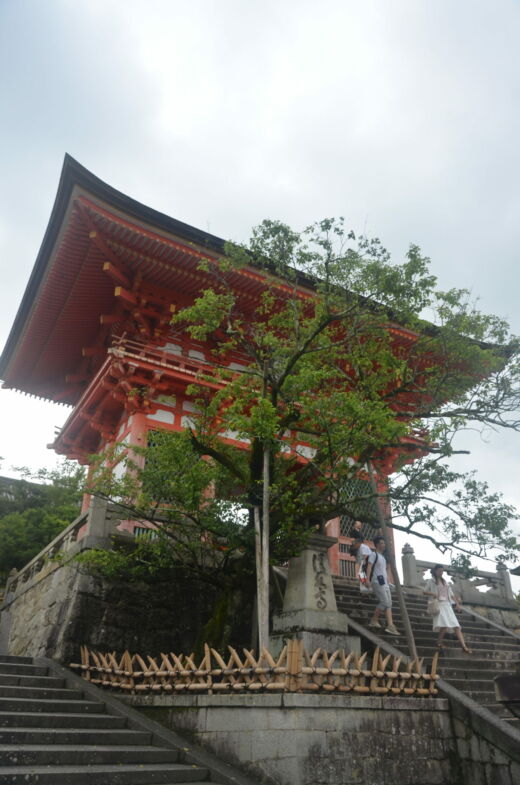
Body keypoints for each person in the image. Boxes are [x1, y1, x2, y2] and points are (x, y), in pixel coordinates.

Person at [423, 565, 472, 654]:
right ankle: (439, 642)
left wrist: (457, 604)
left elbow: (451, 595)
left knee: (456, 626)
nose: (441, 572)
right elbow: (424, 591)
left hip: (447, 606)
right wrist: (433, 593)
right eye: (439, 571)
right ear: (436, 571)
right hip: (439, 605)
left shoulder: (445, 582)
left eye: (442, 571)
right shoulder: (431, 581)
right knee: (444, 625)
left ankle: (464, 646)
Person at [367, 536, 399, 635]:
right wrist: (367, 580)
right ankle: (374, 620)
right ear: (376, 544)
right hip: (377, 582)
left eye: (384, 543)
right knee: (384, 602)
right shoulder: (373, 554)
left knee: (389, 603)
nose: (383, 545)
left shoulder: (383, 558)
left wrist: (389, 582)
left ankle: (390, 625)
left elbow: (384, 571)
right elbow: (369, 567)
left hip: (385, 583)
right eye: (381, 543)